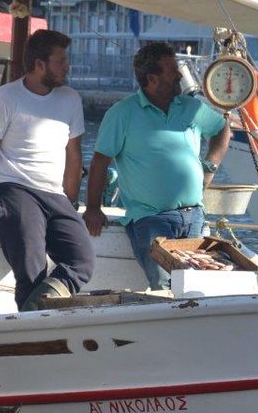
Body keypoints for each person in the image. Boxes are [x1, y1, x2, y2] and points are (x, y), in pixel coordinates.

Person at [83, 42, 229, 290]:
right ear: (152, 78)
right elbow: (100, 162)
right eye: (172, 70)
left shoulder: (191, 108)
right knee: (165, 286)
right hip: (151, 219)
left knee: (195, 287)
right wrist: (93, 208)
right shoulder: (122, 114)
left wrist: (210, 166)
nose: (180, 75)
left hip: (194, 215)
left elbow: (222, 129)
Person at [0, 29, 95, 311]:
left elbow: (73, 156)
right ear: (40, 64)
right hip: (13, 190)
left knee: (82, 260)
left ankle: (33, 316)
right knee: (30, 269)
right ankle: (33, 331)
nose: (67, 68)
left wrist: (71, 201)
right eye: (60, 61)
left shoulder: (70, 99)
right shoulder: (4, 98)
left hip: (55, 195)